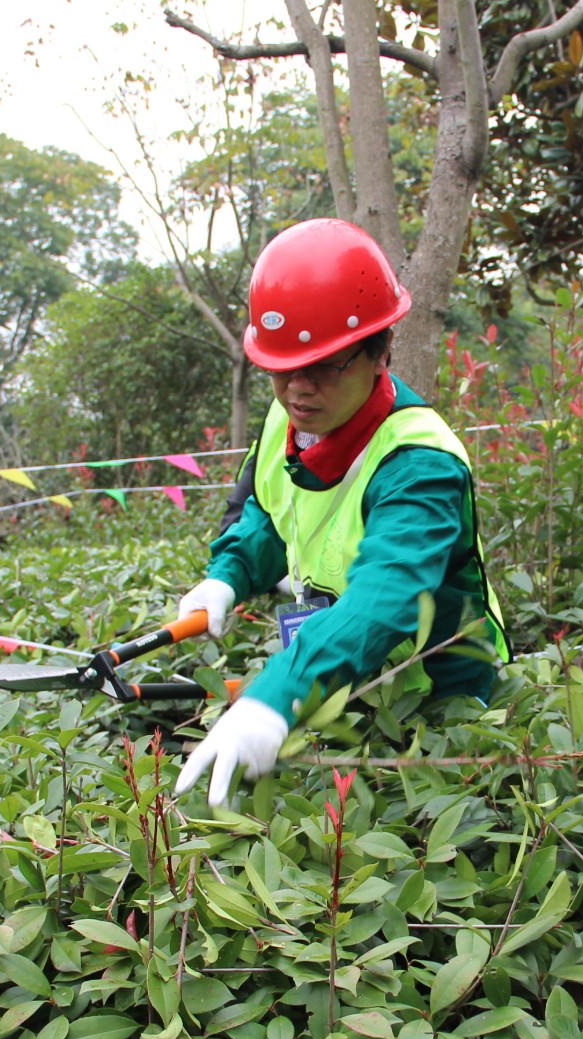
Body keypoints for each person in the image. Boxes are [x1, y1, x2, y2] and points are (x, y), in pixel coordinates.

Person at [173, 218, 509, 806]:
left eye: (326, 365)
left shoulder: (419, 463)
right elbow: (269, 513)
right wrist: (224, 578)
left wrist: (278, 692)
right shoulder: (290, 421)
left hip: (437, 696)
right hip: (341, 678)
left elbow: (386, 598)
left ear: (381, 352)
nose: (298, 390)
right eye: (281, 368)